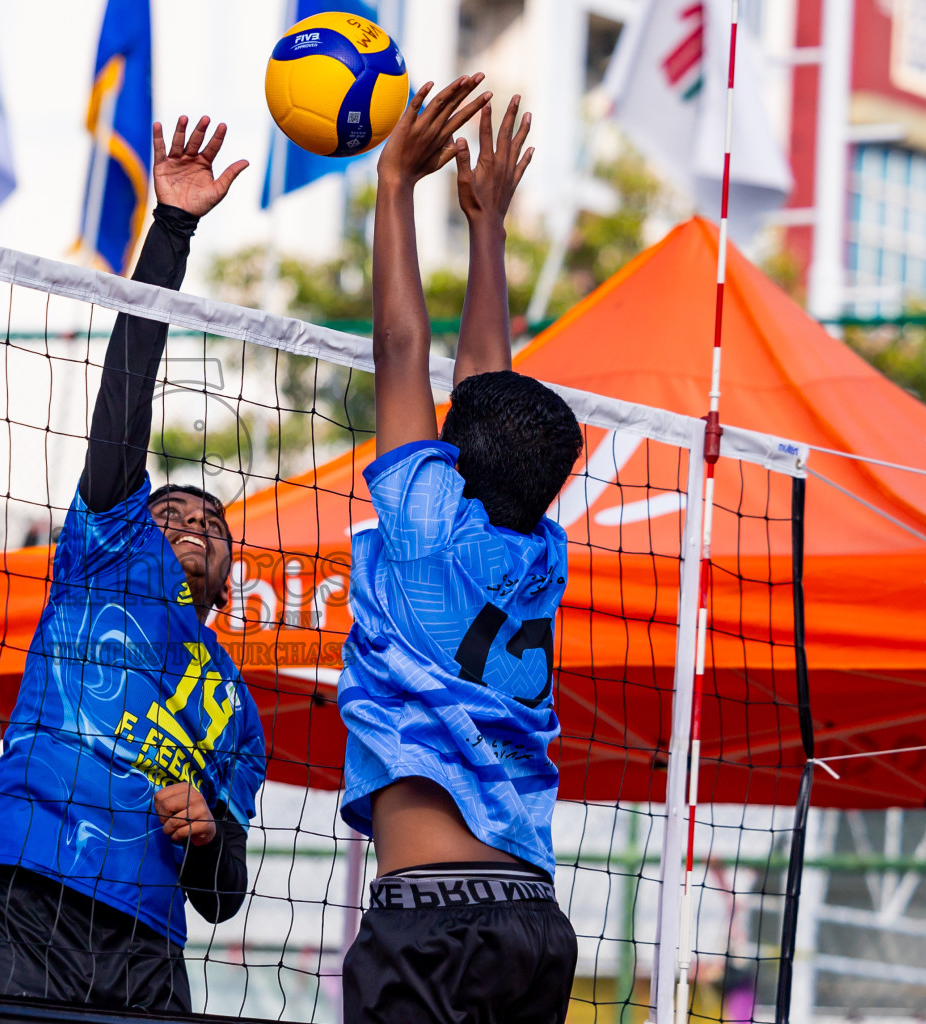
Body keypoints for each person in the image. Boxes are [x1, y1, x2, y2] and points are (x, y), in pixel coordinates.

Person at [0, 115, 267, 1018]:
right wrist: (172, 230)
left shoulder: (237, 710)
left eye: (210, 521)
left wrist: (209, 836)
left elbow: (223, 895)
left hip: (147, 945)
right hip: (28, 904)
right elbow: (125, 393)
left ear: (226, 578)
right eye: (166, 510)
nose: (187, 520)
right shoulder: (102, 555)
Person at [337, 76, 584, 1024]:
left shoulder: (427, 528)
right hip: (533, 924)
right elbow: (484, 386)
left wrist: (393, 182)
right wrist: (488, 228)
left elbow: (403, 346)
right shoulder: (538, 558)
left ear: (461, 456)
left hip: (430, 921)